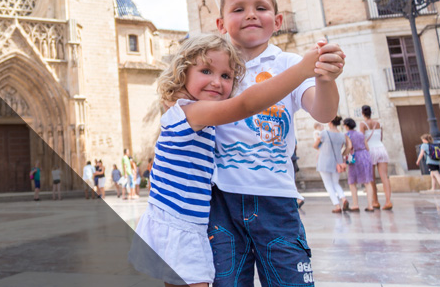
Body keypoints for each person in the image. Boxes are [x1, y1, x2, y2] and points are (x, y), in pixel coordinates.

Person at [128, 32, 329, 287]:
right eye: (206, 71)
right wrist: (301, 70)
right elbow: (245, 105)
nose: (216, 82)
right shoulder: (191, 111)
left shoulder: (191, 113)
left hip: (186, 223)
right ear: (182, 73)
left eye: (226, 76)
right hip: (180, 224)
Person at [208, 0, 345, 287]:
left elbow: (323, 112)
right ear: (220, 23)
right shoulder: (214, 70)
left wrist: (325, 78)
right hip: (221, 201)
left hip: (277, 200)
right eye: (238, 9)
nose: (251, 15)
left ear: (278, 21)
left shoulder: (290, 63)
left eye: (261, 7)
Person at [359, 105, 393, 210]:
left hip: (370, 150)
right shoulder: (378, 123)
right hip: (381, 148)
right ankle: (388, 201)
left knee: (372, 178)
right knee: (384, 177)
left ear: (362, 113)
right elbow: (380, 137)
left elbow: (362, 139)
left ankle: (375, 201)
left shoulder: (362, 124)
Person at [315, 116, 349, 213]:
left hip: (324, 162)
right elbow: (346, 147)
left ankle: (337, 206)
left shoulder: (324, 133)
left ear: (330, 122)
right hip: (337, 161)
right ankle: (343, 198)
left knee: (328, 185)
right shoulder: (342, 135)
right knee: (335, 183)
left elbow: (315, 145)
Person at [344, 117, 375, 211]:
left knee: (352, 182)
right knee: (368, 182)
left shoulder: (347, 134)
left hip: (355, 157)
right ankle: (370, 205)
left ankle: (355, 204)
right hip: (365, 155)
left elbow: (349, 147)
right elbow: (367, 147)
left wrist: (343, 154)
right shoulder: (361, 134)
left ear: (346, 126)